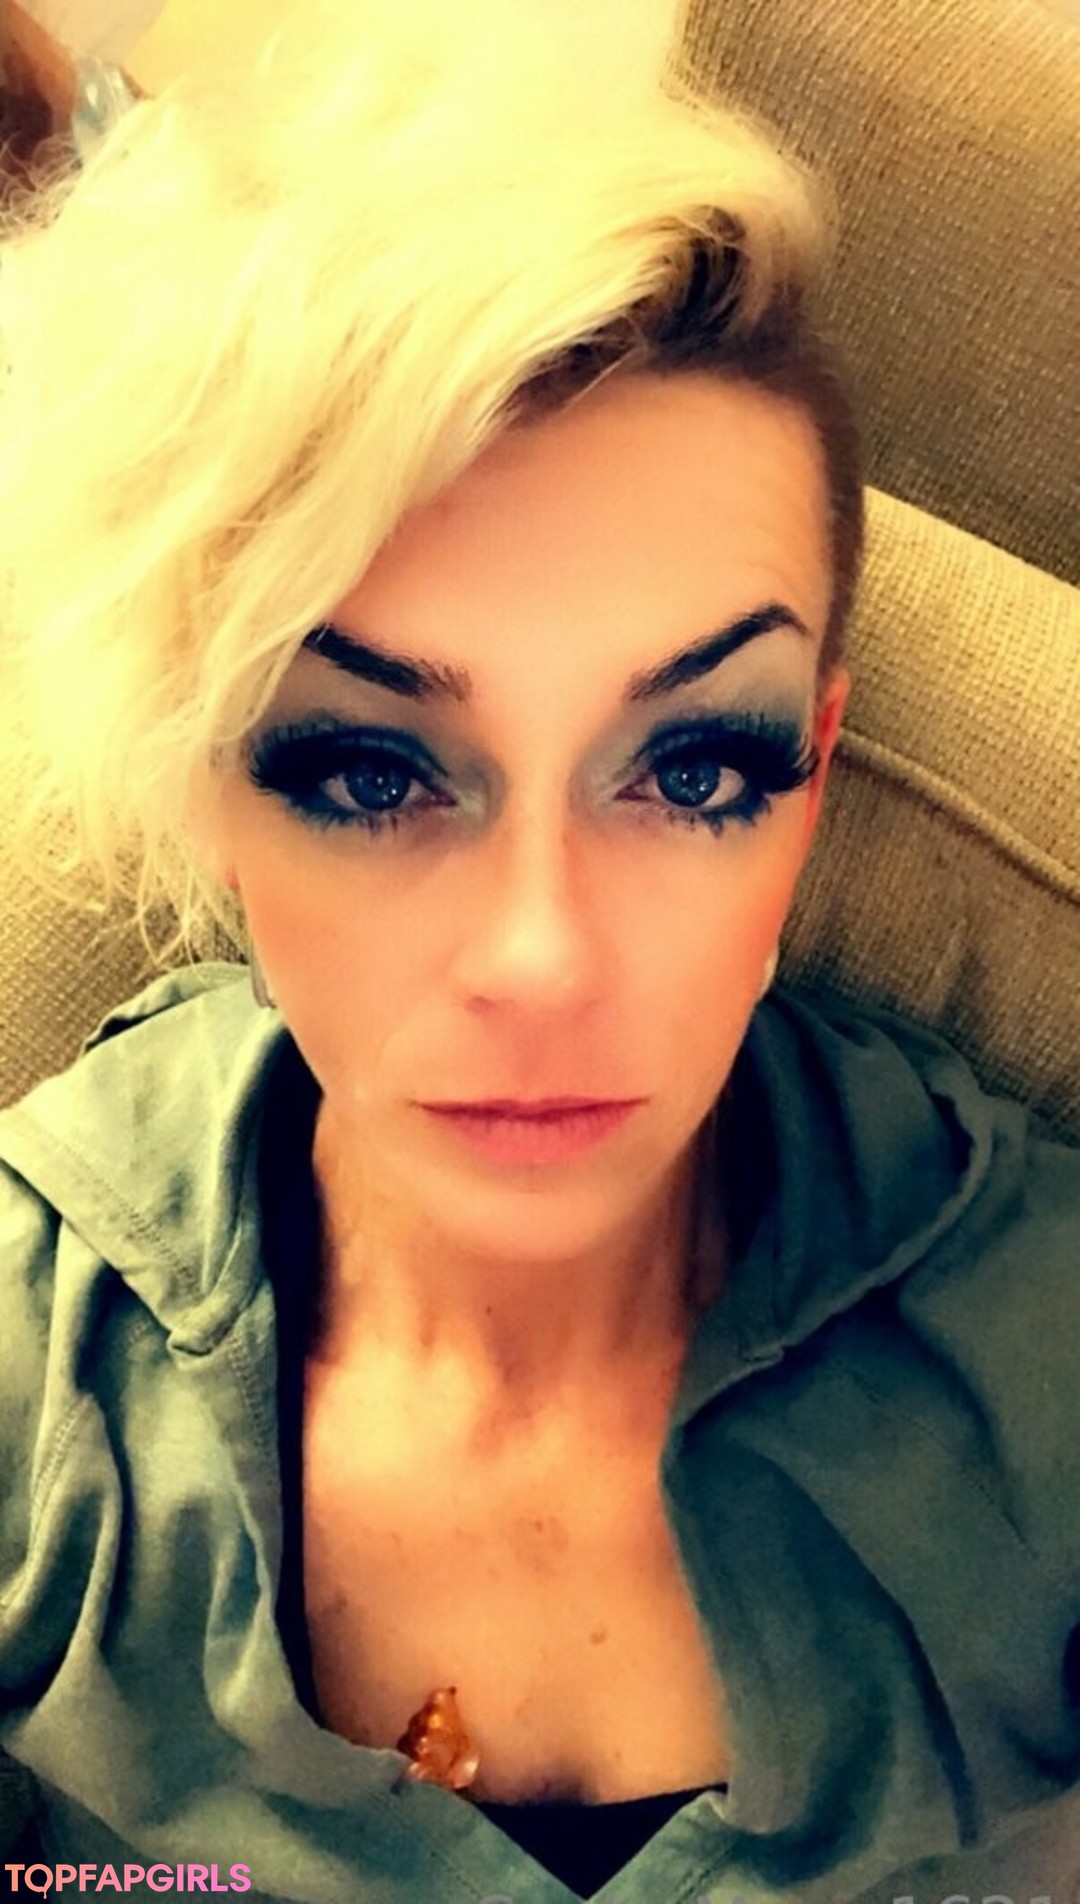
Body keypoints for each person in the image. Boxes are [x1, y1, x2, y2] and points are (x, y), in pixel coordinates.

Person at [1, 2, 1077, 1898]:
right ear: (210, 785)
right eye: (368, 771)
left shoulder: (1036, 1359)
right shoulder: (37, 1365)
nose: (541, 957)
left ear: (814, 768)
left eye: (696, 767)